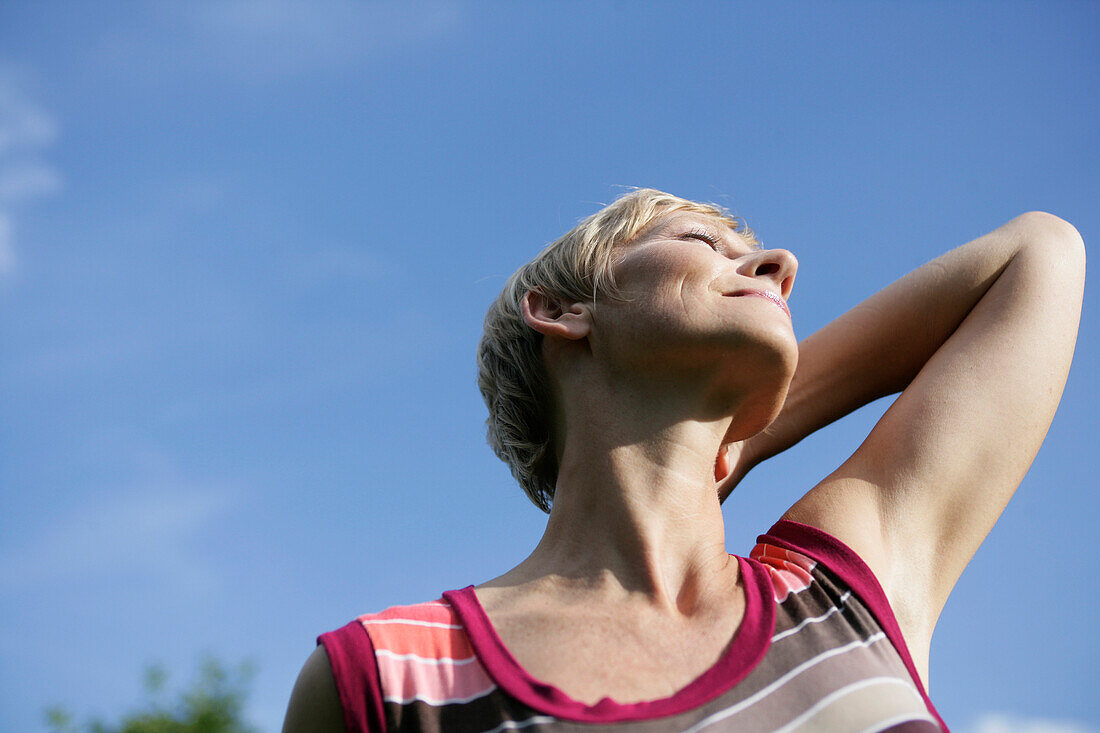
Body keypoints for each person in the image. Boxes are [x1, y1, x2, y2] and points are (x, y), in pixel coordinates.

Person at [283, 189, 1085, 732]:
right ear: (562, 310)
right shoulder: (386, 676)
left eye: (760, 256)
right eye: (705, 241)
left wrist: (732, 431)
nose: (780, 264)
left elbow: (1038, 254)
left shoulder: (843, 591)